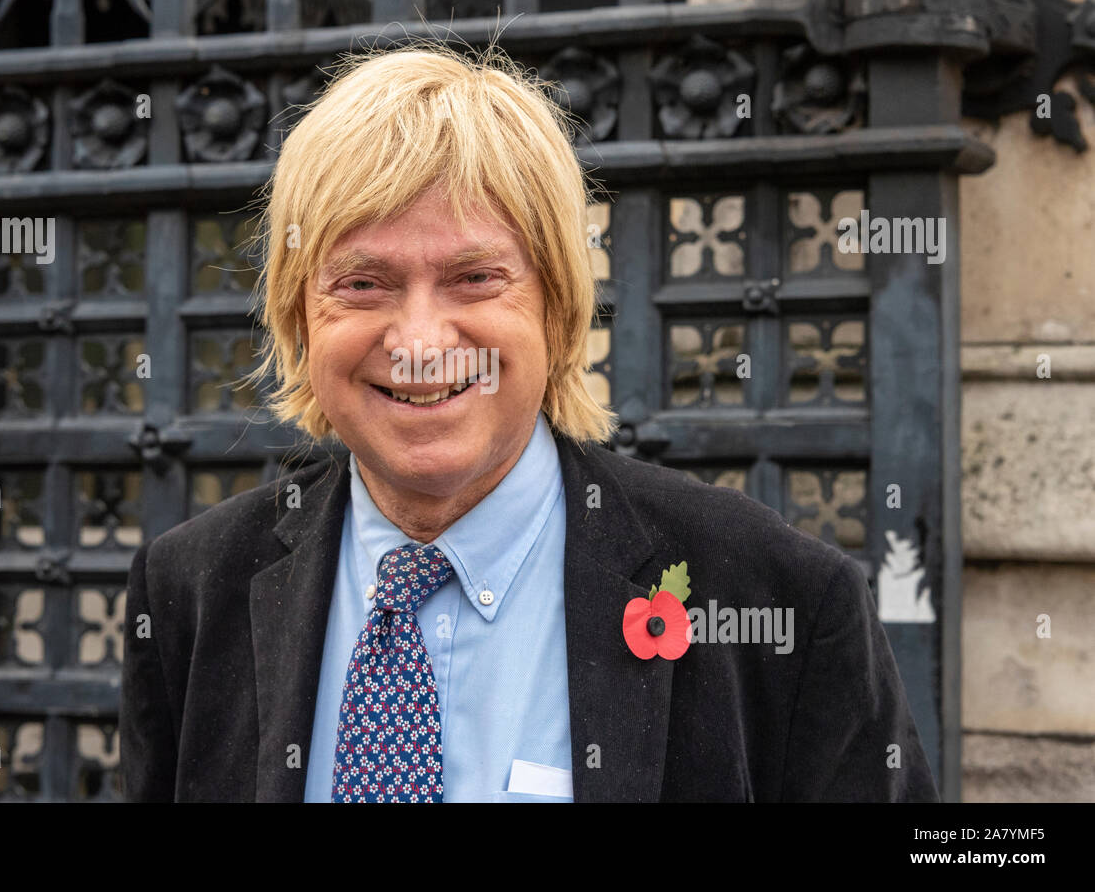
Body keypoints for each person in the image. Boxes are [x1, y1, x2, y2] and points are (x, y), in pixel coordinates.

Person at [120, 42, 938, 802]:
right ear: (299, 318)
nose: (420, 341)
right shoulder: (190, 590)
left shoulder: (780, 600)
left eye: (475, 277)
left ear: (556, 307)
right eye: (362, 283)